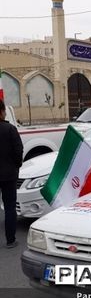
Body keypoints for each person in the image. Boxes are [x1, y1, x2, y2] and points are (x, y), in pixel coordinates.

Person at [0, 100, 23, 248]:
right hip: (8, 175)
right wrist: (16, 166)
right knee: (9, 207)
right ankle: (10, 240)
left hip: (8, 173)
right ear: (2, 111)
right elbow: (18, 151)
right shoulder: (10, 129)